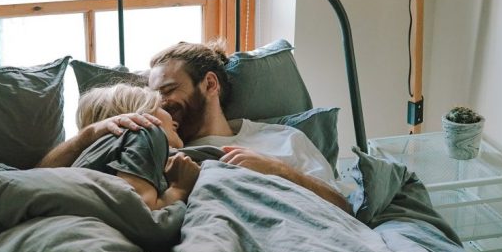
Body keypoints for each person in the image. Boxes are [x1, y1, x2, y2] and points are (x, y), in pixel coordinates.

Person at [148, 40, 351, 214]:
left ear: (210, 84)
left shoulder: (283, 138)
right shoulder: (159, 149)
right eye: (153, 97)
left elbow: (344, 208)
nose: (159, 103)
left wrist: (279, 170)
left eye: (168, 90)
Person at [38, 83, 200, 211]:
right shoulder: (143, 134)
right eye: (161, 108)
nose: (175, 121)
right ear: (140, 113)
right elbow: (142, 213)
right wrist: (180, 189)